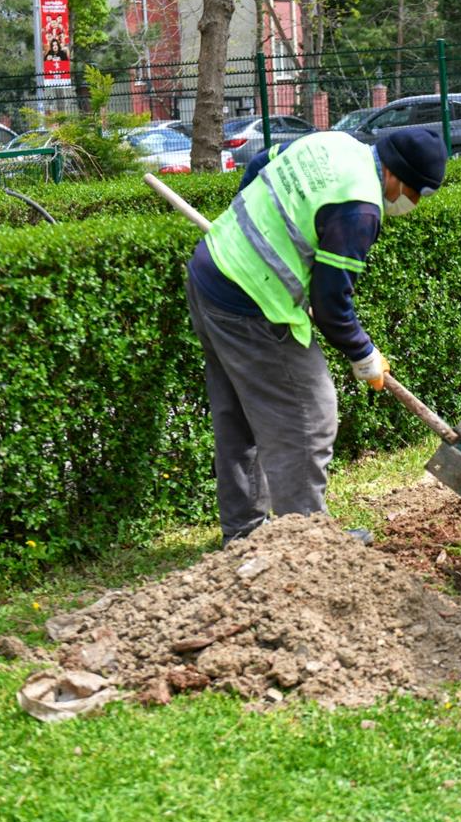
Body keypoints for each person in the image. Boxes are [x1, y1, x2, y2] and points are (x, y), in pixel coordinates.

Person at [185, 127, 446, 546]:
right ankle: (309, 543)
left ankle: (244, 533)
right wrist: (364, 354)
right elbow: (330, 303)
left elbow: (258, 164)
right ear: (397, 177)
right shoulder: (360, 207)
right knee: (311, 414)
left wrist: (248, 231)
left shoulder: (335, 143)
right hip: (251, 303)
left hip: (212, 269)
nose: (413, 204)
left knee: (237, 415)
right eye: (419, 193)